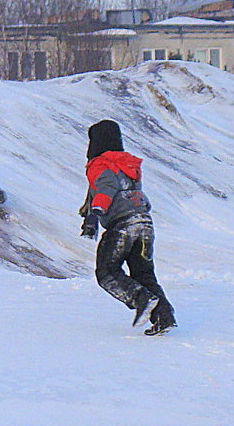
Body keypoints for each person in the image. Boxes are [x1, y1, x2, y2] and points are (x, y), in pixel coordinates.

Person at [78, 119, 177, 335]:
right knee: (144, 274)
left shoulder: (99, 163)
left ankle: (141, 300)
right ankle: (164, 317)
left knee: (107, 273)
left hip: (122, 225)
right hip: (144, 223)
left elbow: (107, 188)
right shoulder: (127, 164)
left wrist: (95, 214)